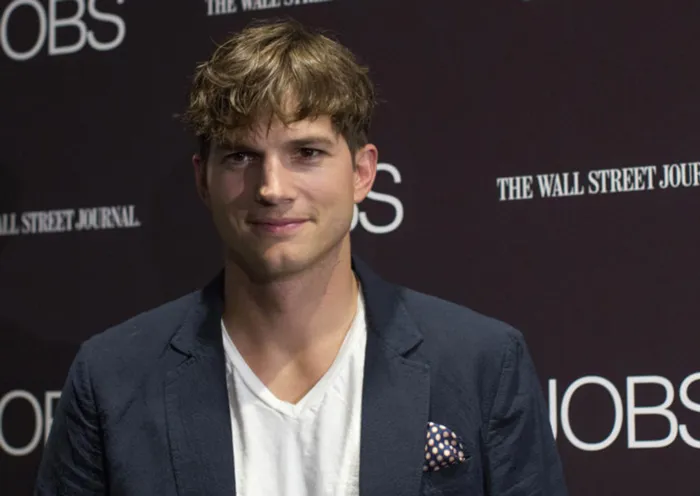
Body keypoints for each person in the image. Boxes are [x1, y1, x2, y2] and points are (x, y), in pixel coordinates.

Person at [35, 18, 568, 496]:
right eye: (241, 156)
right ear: (202, 180)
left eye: (306, 153)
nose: (272, 188)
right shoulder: (112, 378)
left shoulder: (481, 364)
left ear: (362, 173)